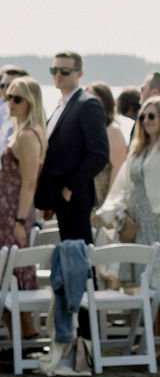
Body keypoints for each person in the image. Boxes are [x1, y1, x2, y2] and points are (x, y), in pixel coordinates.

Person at [0, 77, 46, 338]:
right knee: (4, 269)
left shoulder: (28, 136)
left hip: (13, 212)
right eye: (8, 97)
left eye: (17, 99)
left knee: (12, 269)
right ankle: (17, 336)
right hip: (4, 209)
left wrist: (20, 222)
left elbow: (30, 183)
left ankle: (26, 334)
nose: (11, 103)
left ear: (31, 102)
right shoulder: (20, 131)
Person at [34, 51, 109, 244]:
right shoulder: (60, 106)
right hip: (57, 199)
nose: (58, 75)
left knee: (78, 254)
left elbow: (99, 154)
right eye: (54, 70)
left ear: (79, 74)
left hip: (75, 199)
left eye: (64, 71)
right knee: (68, 253)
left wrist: (70, 189)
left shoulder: (88, 104)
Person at [99, 96, 160, 289]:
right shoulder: (138, 148)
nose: (146, 121)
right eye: (142, 117)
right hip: (135, 221)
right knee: (136, 277)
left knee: (155, 277)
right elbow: (123, 184)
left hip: (156, 221)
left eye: (152, 116)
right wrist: (116, 210)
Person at [86, 82, 128, 213]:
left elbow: (119, 171)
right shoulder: (88, 129)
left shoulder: (113, 131)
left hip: (103, 203)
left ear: (106, 103)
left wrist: (108, 207)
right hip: (86, 201)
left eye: (93, 99)